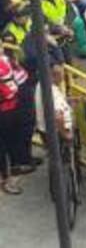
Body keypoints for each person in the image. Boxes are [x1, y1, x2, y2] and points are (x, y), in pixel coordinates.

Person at [0, 52, 32, 194]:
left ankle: (15, 167)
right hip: (4, 108)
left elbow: (15, 77)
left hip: (11, 107)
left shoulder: (4, 60)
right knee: (2, 147)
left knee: (12, 140)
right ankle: (5, 180)